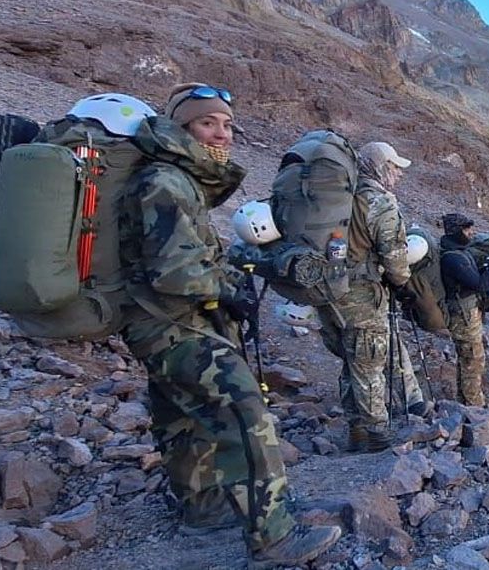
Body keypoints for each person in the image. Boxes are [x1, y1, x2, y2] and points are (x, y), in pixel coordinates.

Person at [120, 83, 339, 567]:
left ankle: (203, 507)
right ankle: (275, 536)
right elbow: (174, 270)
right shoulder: (166, 182)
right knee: (245, 413)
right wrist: (225, 290)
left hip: (148, 323)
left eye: (226, 124)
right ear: (182, 128)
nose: (222, 134)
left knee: (178, 413)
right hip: (173, 324)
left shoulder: (167, 177)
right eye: (207, 123)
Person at [316, 140, 423, 452]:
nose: (398, 175)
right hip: (361, 295)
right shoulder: (378, 202)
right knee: (370, 363)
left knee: (351, 362)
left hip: (329, 291)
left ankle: (357, 431)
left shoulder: (339, 197)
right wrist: (402, 283)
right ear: (379, 167)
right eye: (394, 168)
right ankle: (378, 436)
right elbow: (395, 260)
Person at [439, 213, 489, 407]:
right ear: (457, 231)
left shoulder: (458, 252)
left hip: (466, 312)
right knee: (473, 359)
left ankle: (465, 399)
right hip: (463, 315)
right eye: (466, 229)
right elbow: (478, 284)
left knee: (468, 358)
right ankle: (474, 406)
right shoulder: (453, 258)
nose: (470, 233)